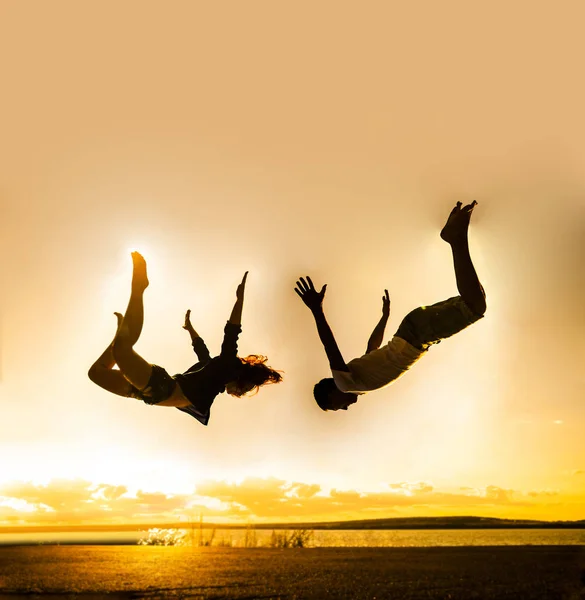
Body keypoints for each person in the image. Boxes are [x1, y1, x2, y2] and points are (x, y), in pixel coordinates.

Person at [295, 201, 487, 411]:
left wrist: (317, 310)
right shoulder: (358, 383)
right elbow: (372, 348)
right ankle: (456, 237)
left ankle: (455, 239)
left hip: (417, 335)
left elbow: (330, 347)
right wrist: (385, 317)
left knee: (475, 306)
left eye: (336, 407)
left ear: (331, 393)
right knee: (475, 299)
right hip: (415, 332)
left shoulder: (343, 384)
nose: (344, 409)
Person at [88, 252, 282, 425]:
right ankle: (139, 288)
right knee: (122, 350)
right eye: (244, 390)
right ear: (243, 379)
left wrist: (190, 330)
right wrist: (239, 300)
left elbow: (202, 353)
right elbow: (232, 332)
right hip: (160, 387)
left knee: (96, 373)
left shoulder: (214, 380)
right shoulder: (229, 365)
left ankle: (119, 336)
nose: (238, 394)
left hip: (146, 394)